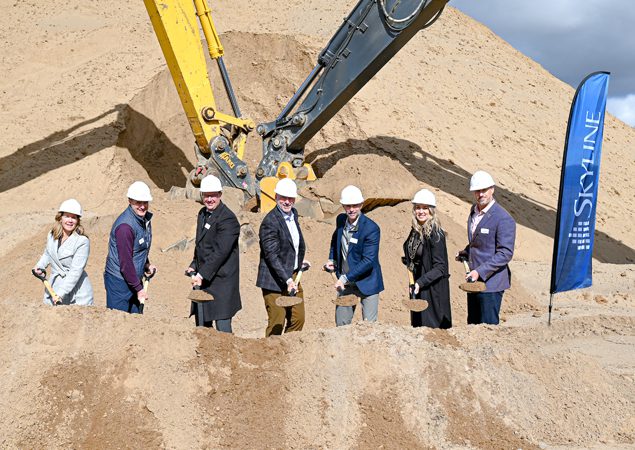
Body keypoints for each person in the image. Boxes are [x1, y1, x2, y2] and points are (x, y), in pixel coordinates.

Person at [457, 170, 516, 325]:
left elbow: (505, 253)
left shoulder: (503, 218)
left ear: (492, 189)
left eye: (484, 190)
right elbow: (479, 242)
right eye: (477, 191)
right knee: (473, 325)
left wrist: (480, 272)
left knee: (488, 328)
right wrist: (466, 252)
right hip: (474, 280)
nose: (481, 194)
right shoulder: (473, 212)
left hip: (491, 284)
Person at [186, 175, 241, 333]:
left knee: (223, 331)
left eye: (213, 195)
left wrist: (202, 274)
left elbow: (220, 252)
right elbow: (201, 246)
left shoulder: (228, 219)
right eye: (206, 195)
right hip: (204, 280)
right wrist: (194, 265)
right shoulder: (202, 214)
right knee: (203, 329)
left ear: (220, 195)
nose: (209, 199)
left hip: (222, 282)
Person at [256, 178, 310, 336]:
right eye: (283, 198)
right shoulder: (270, 222)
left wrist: (299, 262)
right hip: (274, 280)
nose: (287, 202)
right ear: (276, 197)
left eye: (290, 198)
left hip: (293, 275)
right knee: (277, 322)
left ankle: (287, 349)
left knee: (298, 318)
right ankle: (272, 355)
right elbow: (272, 255)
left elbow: (293, 244)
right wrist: (287, 280)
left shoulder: (294, 214)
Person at [325, 185, 384, 326]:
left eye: (355, 205)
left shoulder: (371, 229)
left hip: (367, 281)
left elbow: (369, 260)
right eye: (347, 206)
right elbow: (335, 240)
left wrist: (344, 278)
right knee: (341, 326)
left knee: (369, 327)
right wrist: (332, 259)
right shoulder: (340, 220)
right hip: (347, 284)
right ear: (343, 206)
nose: (351, 209)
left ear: (361, 205)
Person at [104, 181, 157, 314]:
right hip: (119, 283)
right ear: (130, 201)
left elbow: (139, 248)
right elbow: (126, 263)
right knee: (118, 324)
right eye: (138, 202)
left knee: (134, 325)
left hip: (133, 279)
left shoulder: (143, 220)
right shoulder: (125, 227)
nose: (142, 206)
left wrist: (146, 265)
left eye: (145, 202)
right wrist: (139, 289)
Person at [402, 189, 451, 328]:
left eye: (425, 208)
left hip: (432, 290)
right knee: (418, 328)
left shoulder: (436, 234)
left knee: (431, 331)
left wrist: (421, 282)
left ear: (431, 211)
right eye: (418, 208)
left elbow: (440, 267)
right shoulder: (416, 229)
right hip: (418, 286)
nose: (421, 211)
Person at [33, 199, 94, 306]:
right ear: (60, 218)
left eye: (74, 217)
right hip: (55, 286)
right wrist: (40, 266)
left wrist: (60, 294)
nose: (70, 220)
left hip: (77, 292)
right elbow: (48, 253)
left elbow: (75, 272)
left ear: (78, 221)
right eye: (67, 216)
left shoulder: (82, 241)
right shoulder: (52, 235)